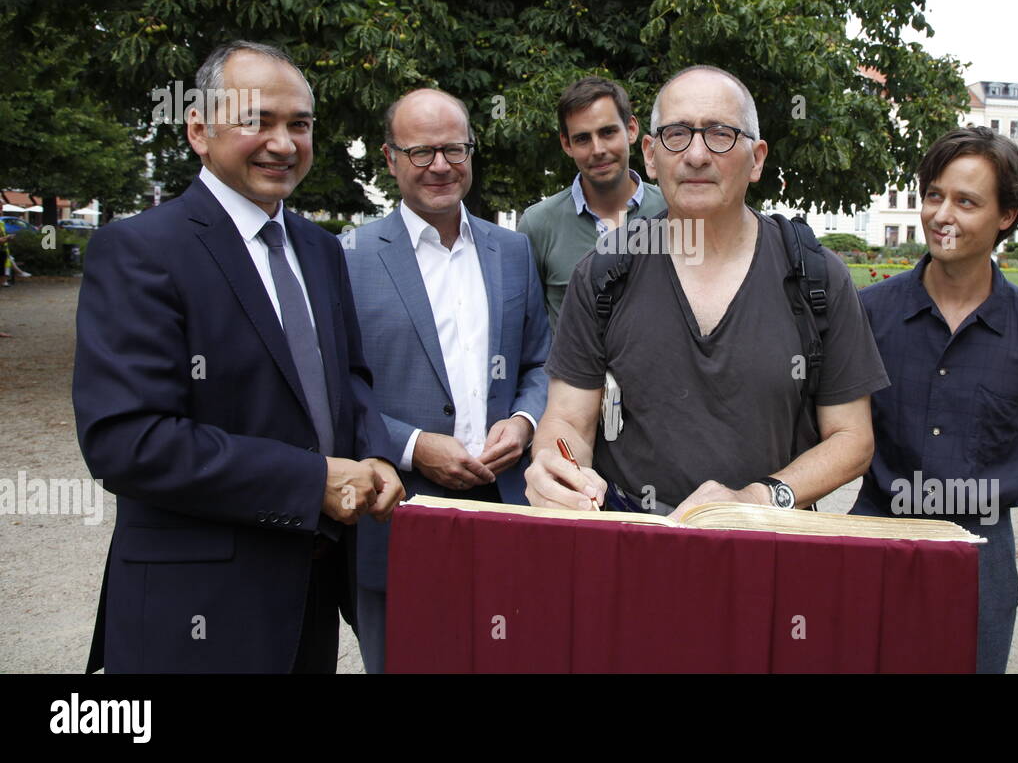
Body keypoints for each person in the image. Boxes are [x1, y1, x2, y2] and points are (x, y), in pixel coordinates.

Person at [73, 41, 404, 673]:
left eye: (299, 125)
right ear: (198, 128)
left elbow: (349, 381)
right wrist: (313, 484)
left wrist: (375, 453)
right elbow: (128, 441)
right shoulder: (140, 250)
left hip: (310, 597)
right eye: (256, 120)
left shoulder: (321, 249)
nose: (283, 143)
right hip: (196, 608)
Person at [525, 65, 887, 518]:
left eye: (720, 134)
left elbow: (852, 439)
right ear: (652, 155)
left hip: (772, 544)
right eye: (677, 135)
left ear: (756, 159)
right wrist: (554, 467)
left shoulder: (814, 275)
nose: (696, 155)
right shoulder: (603, 272)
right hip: (634, 542)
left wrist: (757, 498)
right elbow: (567, 421)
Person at [851, 126, 1018, 673]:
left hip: (981, 550)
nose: (941, 214)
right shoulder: (867, 314)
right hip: (876, 533)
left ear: (1007, 216)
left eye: (966, 201)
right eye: (934, 195)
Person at [344, 88, 550, 673]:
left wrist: (524, 420)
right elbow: (335, 388)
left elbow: (541, 360)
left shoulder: (512, 251)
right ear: (389, 159)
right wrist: (411, 446)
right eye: (421, 151)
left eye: (454, 148)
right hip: (400, 507)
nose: (440, 165)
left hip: (506, 503)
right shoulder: (349, 257)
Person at [517, 76, 666, 329]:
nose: (598, 150)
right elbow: (529, 330)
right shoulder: (538, 224)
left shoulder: (674, 210)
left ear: (631, 129)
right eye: (583, 138)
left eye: (608, 132)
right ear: (567, 144)